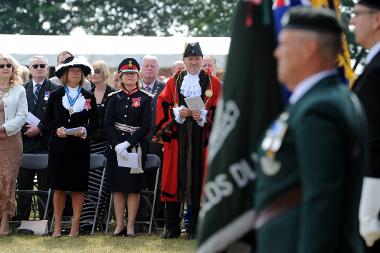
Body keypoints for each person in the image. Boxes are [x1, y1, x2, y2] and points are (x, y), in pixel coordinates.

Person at [254, 7, 368, 253]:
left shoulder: (320, 109)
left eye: (282, 44)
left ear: (309, 49)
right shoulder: (322, 100)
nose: (276, 53)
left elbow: (322, 202)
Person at [155, 42, 222, 239]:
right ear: (184, 60)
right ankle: (171, 227)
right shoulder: (173, 81)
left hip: (202, 142)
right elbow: (161, 103)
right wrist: (175, 113)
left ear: (202, 61)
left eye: (197, 59)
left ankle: (194, 228)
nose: (194, 62)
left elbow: (222, 108)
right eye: (190, 59)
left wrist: (205, 116)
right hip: (177, 142)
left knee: (198, 182)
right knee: (173, 181)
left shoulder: (214, 83)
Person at [43, 56, 98, 237]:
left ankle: (75, 225)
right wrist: (56, 129)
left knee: (77, 187)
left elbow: (96, 123)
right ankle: (57, 225)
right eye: (72, 70)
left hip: (80, 148)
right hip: (58, 147)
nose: (76, 73)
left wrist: (85, 130)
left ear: (83, 75)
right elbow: (47, 121)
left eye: (79, 70)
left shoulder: (89, 96)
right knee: (58, 186)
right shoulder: (56, 95)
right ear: (65, 74)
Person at [104, 57, 152, 236]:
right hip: (116, 149)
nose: (130, 76)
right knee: (117, 187)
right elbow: (107, 124)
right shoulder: (114, 98)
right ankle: (119, 224)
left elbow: (146, 126)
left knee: (133, 188)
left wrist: (127, 143)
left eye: (133, 73)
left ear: (138, 76)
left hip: (135, 148)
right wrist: (117, 145)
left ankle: (130, 224)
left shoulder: (145, 98)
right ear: (121, 77)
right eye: (126, 74)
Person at [351, 1, 380, 251]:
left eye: (357, 14)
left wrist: (371, 189)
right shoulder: (374, 62)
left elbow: (375, 136)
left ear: (376, 20)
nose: (352, 21)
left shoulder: (378, 68)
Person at [16, 56, 59, 222]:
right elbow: (14, 114)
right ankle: (22, 220)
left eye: (43, 65)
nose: (39, 68)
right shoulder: (20, 90)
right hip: (24, 143)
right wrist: (25, 128)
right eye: (36, 66)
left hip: (46, 144)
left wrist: (40, 128)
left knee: (45, 187)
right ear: (30, 68)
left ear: (47, 69)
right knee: (24, 184)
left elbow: (57, 117)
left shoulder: (56, 89)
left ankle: (45, 220)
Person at [0, 53, 28, 235]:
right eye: (1, 66)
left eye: (8, 66)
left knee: (7, 181)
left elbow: (22, 116)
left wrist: (2, 128)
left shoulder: (19, 90)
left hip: (10, 140)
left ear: (13, 69)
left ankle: (4, 221)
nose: (5, 69)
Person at [138, 55, 166, 232]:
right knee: (139, 179)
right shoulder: (133, 87)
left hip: (158, 141)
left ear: (158, 70)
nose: (149, 69)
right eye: (146, 66)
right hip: (138, 142)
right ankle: (140, 218)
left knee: (158, 180)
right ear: (141, 69)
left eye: (152, 66)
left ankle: (157, 217)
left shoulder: (165, 88)